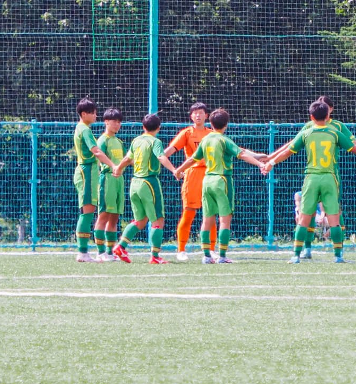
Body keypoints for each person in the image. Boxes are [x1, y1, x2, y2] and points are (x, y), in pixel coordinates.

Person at [260, 99, 356, 263]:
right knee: (334, 219)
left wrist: (271, 162)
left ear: (311, 117)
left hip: (311, 178)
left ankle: (296, 255)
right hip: (330, 178)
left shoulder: (307, 132)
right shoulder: (334, 132)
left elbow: (288, 151)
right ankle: (338, 256)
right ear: (328, 115)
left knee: (304, 218)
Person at [178, 108, 268, 264]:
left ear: (210, 123)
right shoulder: (224, 140)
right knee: (225, 219)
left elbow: (193, 159)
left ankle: (206, 256)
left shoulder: (206, 139)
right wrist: (259, 163)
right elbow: (241, 154)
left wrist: (179, 170)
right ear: (226, 124)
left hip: (207, 181)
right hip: (222, 180)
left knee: (207, 219)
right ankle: (222, 256)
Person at [111, 113, 172, 264]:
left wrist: (118, 168)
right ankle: (155, 256)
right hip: (149, 182)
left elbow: (127, 158)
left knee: (140, 220)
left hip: (135, 183)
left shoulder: (136, 140)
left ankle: (121, 247)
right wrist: (174, 170)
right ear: (159, 127)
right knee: (158, 221)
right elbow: (161, 157)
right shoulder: (155, 141)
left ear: (143, 127)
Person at [72, 98, 123, 261]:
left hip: (90, 172)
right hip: (86, 171)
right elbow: (96, 151)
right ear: (83, 114)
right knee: (87, 212)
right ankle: (83, 252)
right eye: (92, 113)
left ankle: (88, 252)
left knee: (89, 211)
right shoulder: (84, 130)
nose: (95, 115)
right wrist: (113, 165)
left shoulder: (84, 129)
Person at [164, 102, 215, 260]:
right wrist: (173, 168)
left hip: (210, 174)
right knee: (189, 212)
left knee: (211, 214)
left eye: (201, 112)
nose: (198, 115)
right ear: (191, 116)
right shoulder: (186, 133)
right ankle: (181, 250)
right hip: (192, 175)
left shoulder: (211, 134)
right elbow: (167, 152)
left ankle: (211, 249)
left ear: (206, 115)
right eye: (195, 113)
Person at [93, 109, 126, 260]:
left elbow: (126, 159)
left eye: (119, 122)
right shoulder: (102, 140)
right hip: (107, 178)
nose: (117, 124)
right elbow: (98, 157)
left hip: (119, 179)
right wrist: (112, 167)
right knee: (104, 214)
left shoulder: (119, 141)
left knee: (114, 216)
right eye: (114, 121)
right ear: (106, 122)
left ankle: (110, 252)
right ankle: (100, 252)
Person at [293, 190, 328, 259]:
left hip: (318, 215)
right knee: (304, 221)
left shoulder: (318, 194)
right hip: (306, 214)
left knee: (334, 223)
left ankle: (300, 253)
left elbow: (322, 210)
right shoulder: (299, 195)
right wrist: (298, 214)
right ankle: (304, 251)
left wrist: (322, 216)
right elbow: (298, 207)